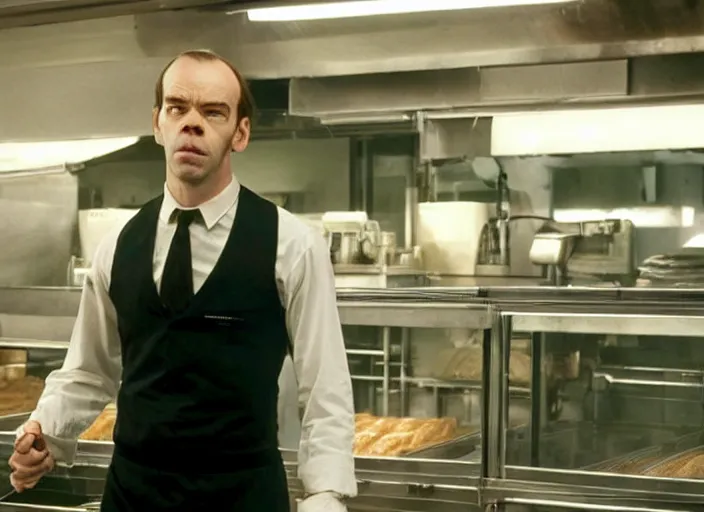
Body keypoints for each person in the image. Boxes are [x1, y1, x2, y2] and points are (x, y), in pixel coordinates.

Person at [7, 49, 357, 512]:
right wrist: (45, 432)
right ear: (158, 123)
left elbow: (325, 389)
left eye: (214, 112)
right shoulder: (117, 245)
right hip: (134, 496)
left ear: (241, 132)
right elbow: (89, 372)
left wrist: (324, 494)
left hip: (242, 496)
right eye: (178, 107)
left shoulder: (292, 245)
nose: (192, 123)